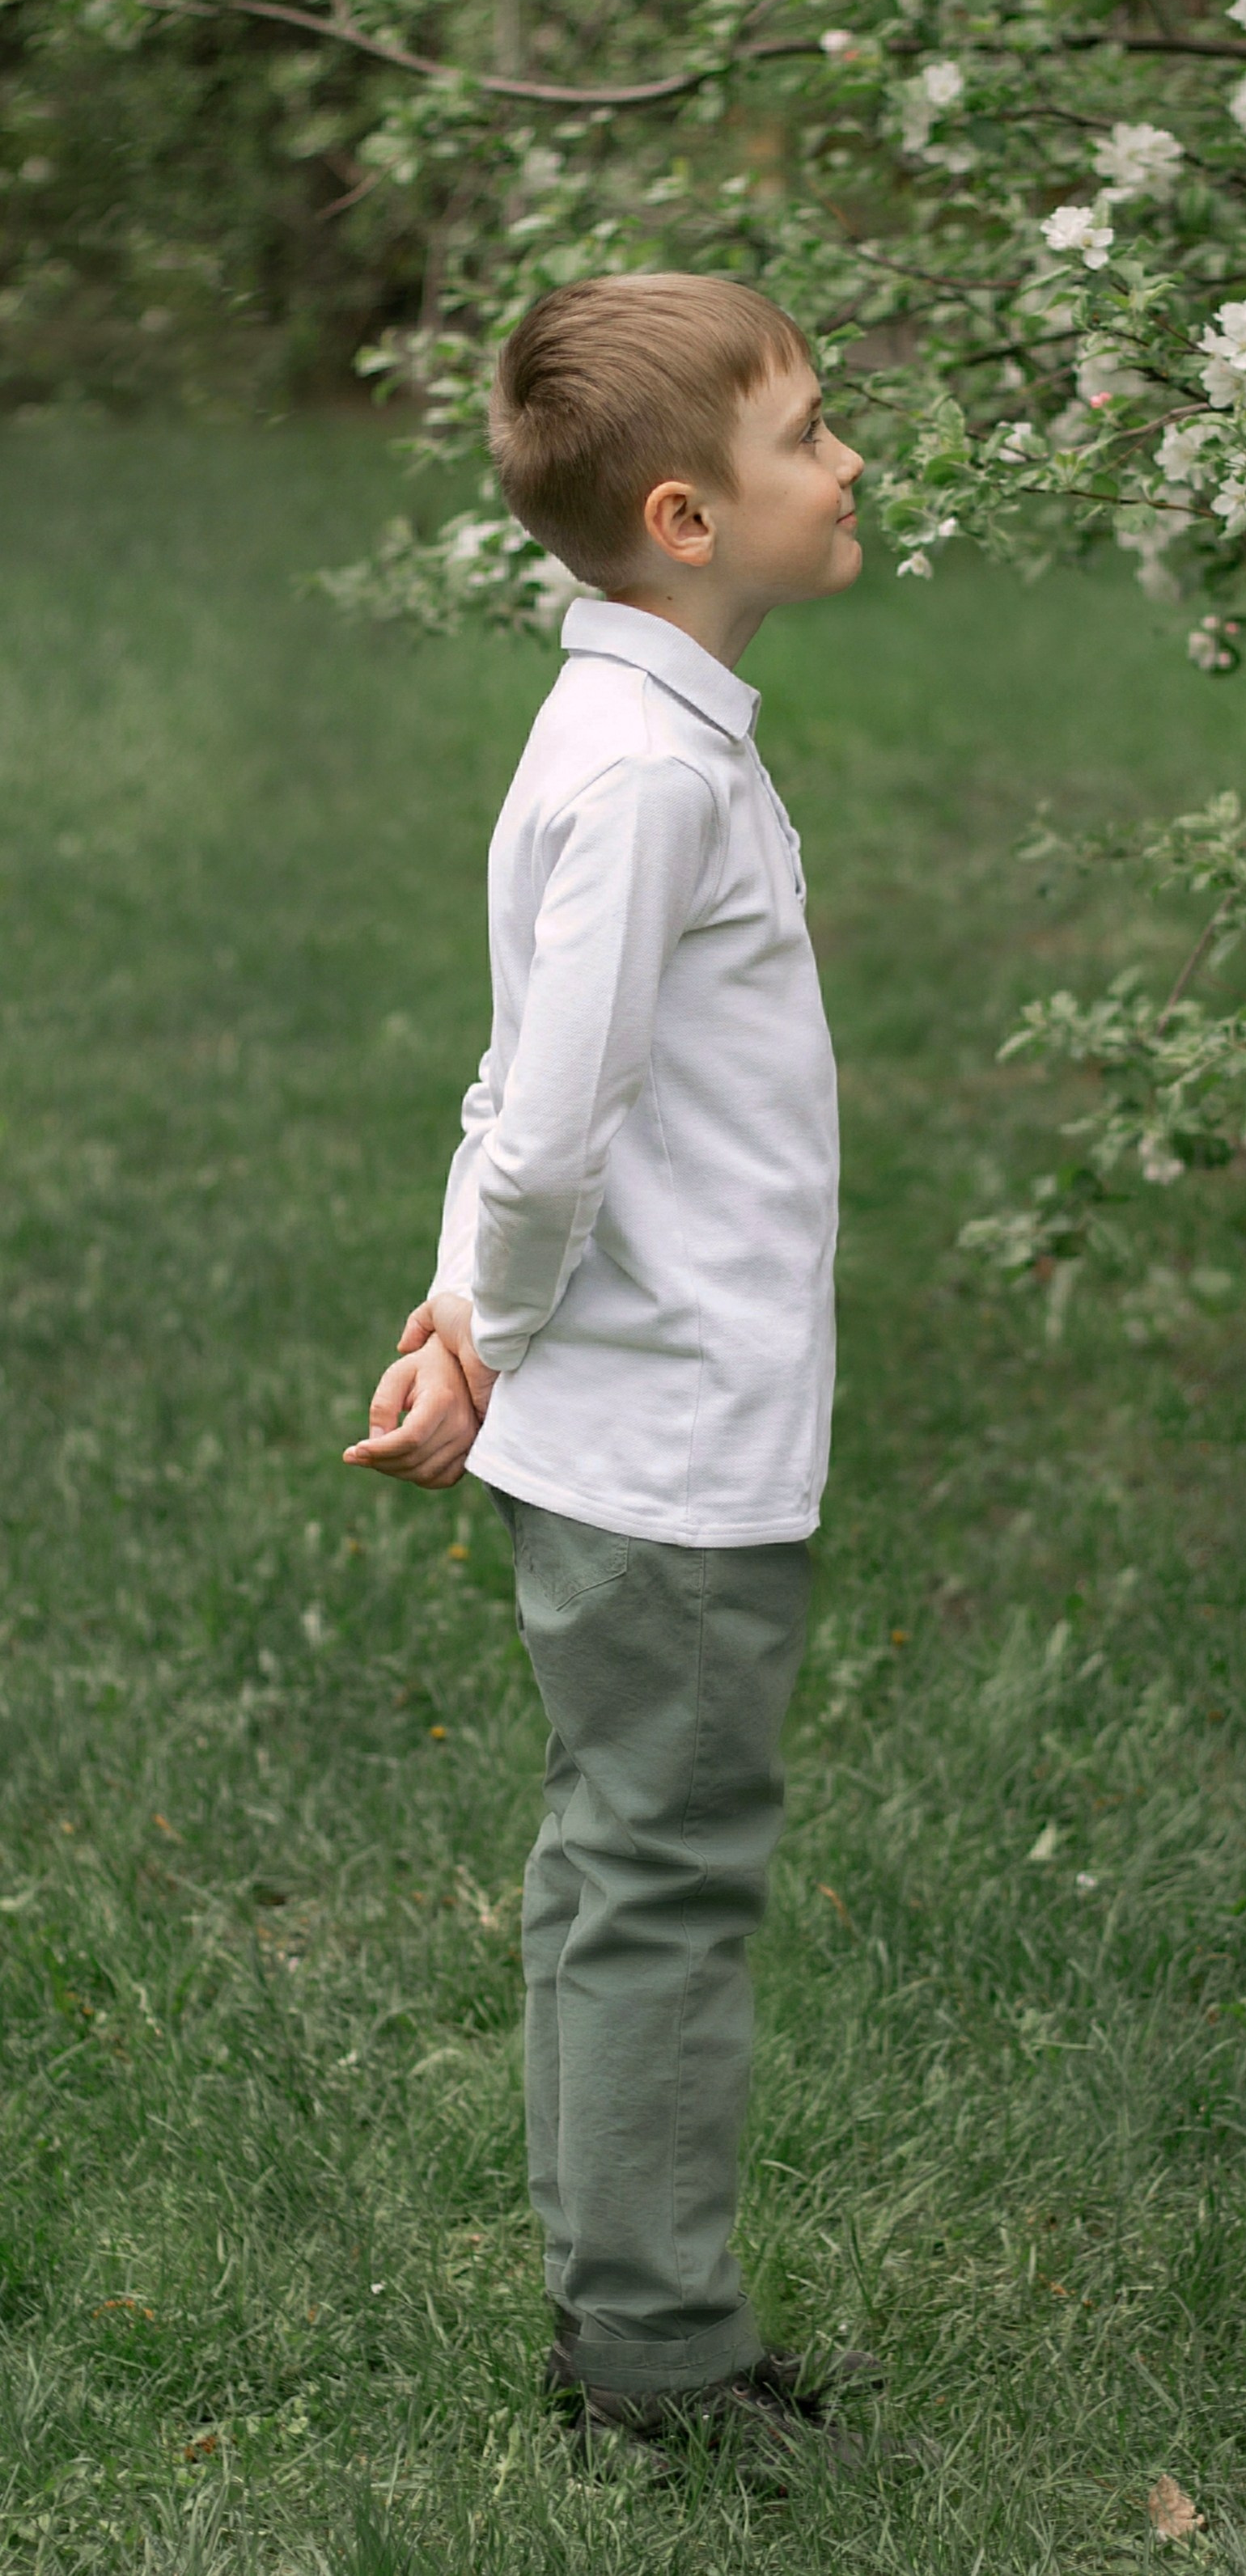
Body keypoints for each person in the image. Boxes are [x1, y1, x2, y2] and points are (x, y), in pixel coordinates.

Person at [344, 272, 875, 2478]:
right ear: (685, 514)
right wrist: (493, 1318)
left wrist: (462, 1316)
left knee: (612, 1865)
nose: (846, 461)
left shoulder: (626, 732)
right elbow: (551, 1128)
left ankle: (624, 2318)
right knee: (660, 1879)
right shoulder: (650, 770)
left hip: (621, 1421)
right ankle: (653, 2364)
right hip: (665, 1444)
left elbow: (520, 1081)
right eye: (806, 434)